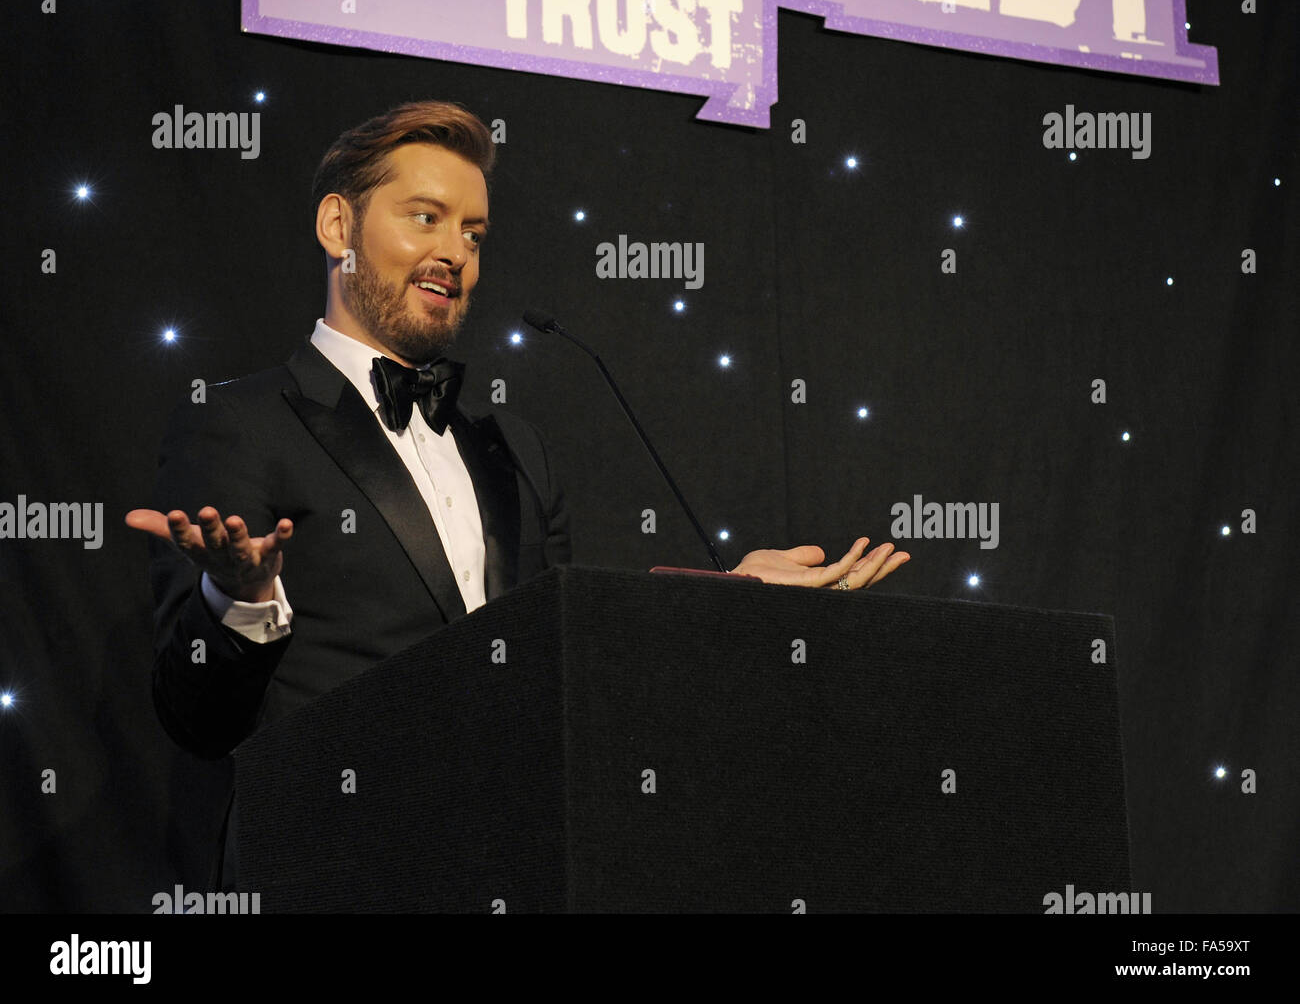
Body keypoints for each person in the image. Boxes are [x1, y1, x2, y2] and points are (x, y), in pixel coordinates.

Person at [127, 100, 909, 883]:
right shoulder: (237, 422)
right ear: (338, 227)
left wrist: (727, 599)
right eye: (425, 218)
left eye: (472, 233)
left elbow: (570, 660)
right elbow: (194, 718)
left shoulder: (513, 447)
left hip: (512, 867)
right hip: (333, 873)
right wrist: (242, 602)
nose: (453, 254)